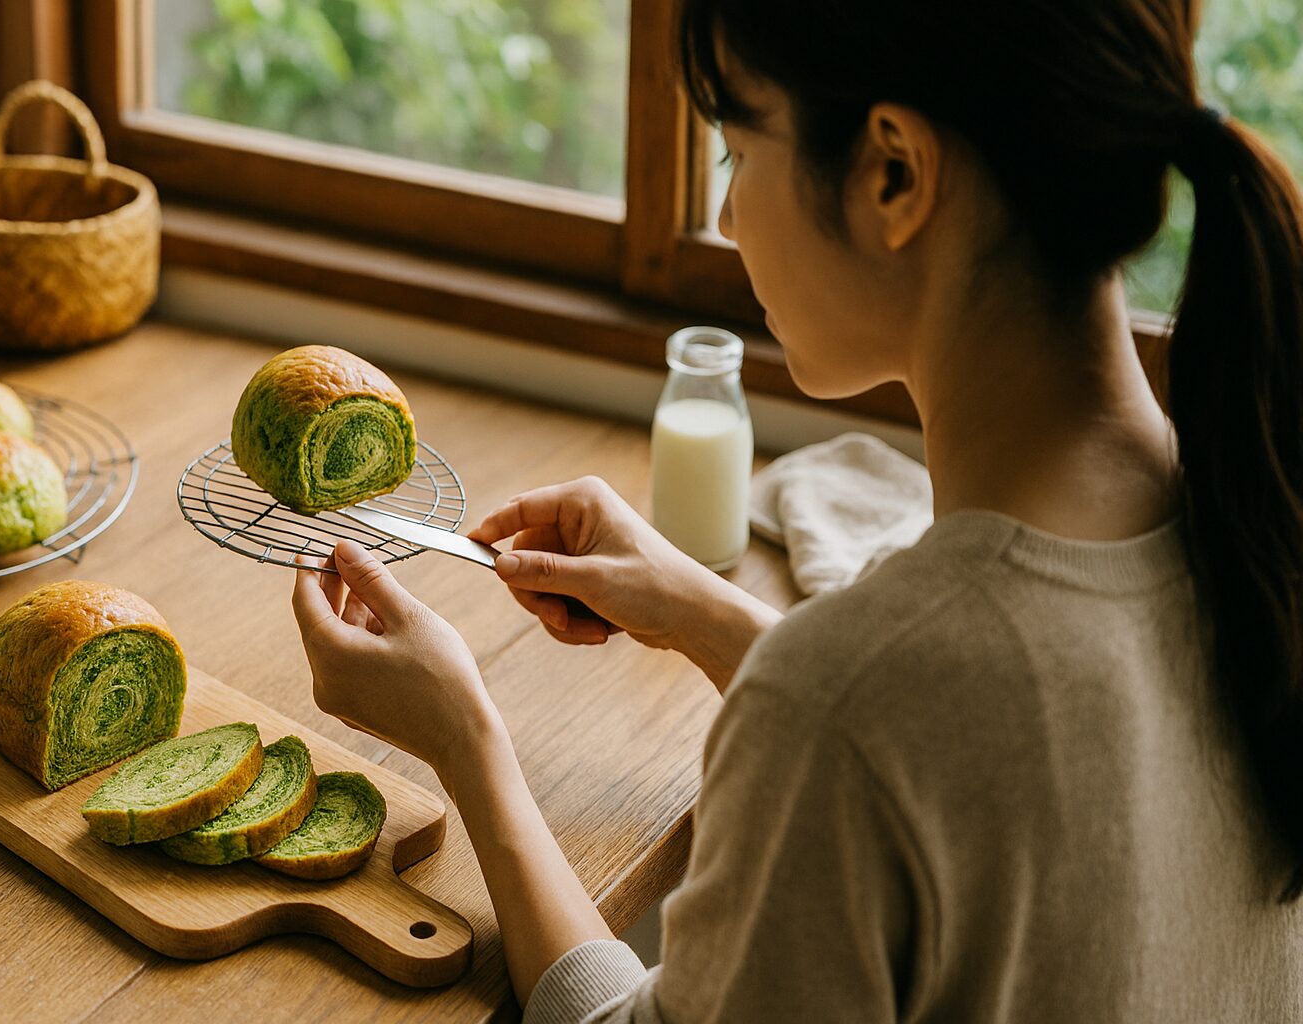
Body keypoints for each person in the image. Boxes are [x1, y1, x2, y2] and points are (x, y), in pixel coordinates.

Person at [289, 0, 1303, 1019]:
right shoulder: (1253, 519)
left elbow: (875, 718)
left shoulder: (843, 710)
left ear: (892, 174)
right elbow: (945, 728)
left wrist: (466, 741)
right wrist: (702, 610)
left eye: (736, 151)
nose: (726, 220)